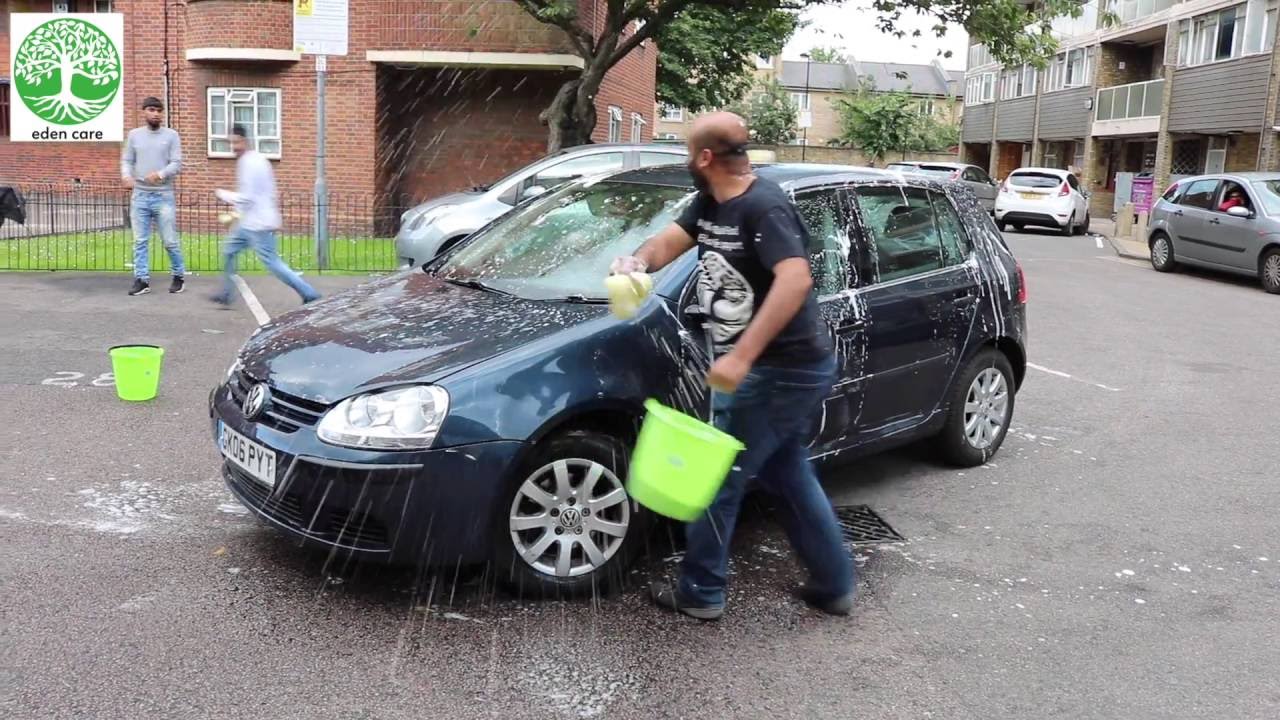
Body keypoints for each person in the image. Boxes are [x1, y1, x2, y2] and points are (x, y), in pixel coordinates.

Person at [613, 112, 854, 620]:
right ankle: (834, 582)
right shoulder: (711, 201)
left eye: (686, 150)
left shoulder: (763, 208)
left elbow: (795, 280)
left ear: (705, 157)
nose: (685, 159)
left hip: (780, 368)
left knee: (717, 477)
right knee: (787, 473)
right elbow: (667, 243)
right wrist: (636, 261)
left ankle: (702, 592)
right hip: (761, 368)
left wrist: (742, 356)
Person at [211, 125, 320, 307]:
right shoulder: (258, 159)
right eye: (232, 143)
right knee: (229, 251)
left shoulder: (250, 163)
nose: (234, 147)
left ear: (245, 141)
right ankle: (227, 293)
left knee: (273, 263)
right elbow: (265, 194)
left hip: (258, 225)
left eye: (236, 142)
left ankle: (310, 293)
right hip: (250, 223)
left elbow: (248, 197)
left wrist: (223, 194)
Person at [121, 97, 185, 296]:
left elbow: (177, 163)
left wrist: (160, 174)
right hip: (140, 195)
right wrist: (126, 176)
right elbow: (127, 160)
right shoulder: (134, 135)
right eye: (151, 110)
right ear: (144, 112)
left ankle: (178, 275)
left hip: (163, 195)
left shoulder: (171, 135)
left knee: (170, 241)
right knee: (140, 241)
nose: (156, 113)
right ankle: (141, 279)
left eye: (159, 110)